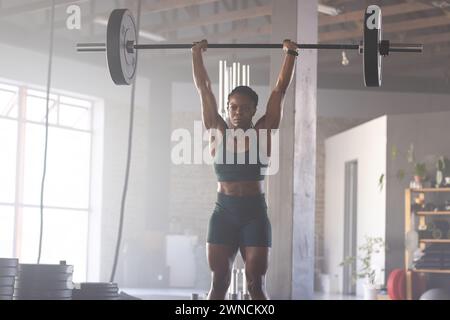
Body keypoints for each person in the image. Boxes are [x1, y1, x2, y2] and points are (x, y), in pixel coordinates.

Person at [191, 39, 297, 300]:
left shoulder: (263, 131)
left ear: (253, 110)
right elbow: (204, 88)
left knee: (255, 285)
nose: (238, 112)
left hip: (254, 215)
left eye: (244, 107)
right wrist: (196, 55)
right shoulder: (217, 129)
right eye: (233, 107)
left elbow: (280, 90)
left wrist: (291, 54)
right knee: (219, 283)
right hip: (223, 213)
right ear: (227, 108)